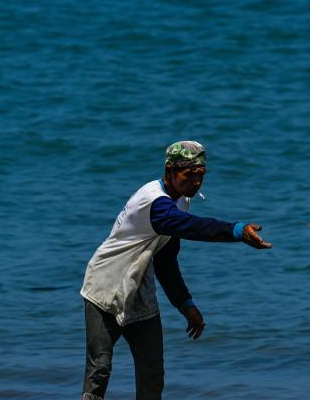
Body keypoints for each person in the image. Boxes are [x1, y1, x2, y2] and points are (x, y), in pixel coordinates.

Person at [79, 140, 272, 400]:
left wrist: (184, 303)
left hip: (139, 289)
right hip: (105, 288)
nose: (196, 183)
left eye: (201, 176)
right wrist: (237, 231)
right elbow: (192, 227)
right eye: (189, 175)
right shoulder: (154, 202)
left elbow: (166, 261)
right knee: (99, 372)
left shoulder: (180, 202)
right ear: (170, 170)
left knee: (153, 377)